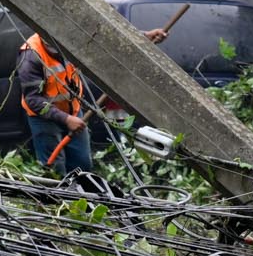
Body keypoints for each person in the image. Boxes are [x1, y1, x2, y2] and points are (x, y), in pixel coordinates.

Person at [17, 24, 168, 176]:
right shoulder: (30, 56)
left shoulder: (69, 37)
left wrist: (143, 37)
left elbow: (105, 39)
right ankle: (58, 197)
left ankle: (81, 196)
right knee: (55, 169)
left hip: (74, 111)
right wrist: (66, 119)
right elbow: (33, 99)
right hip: (45, 119)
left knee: (82, 164)